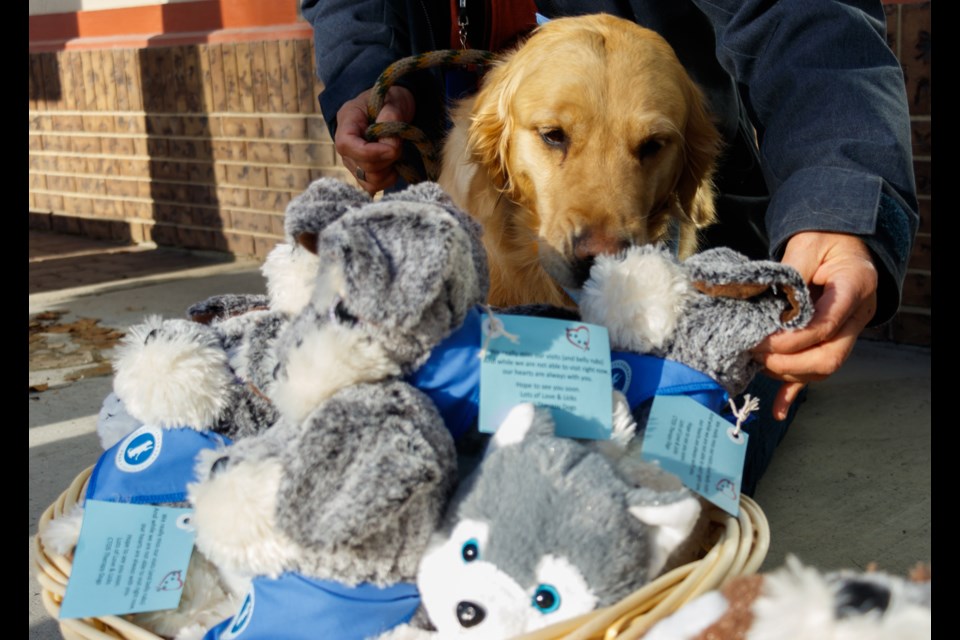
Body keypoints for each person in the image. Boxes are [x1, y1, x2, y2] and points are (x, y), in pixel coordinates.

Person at [299, 0, 920, 494]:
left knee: (674, 488)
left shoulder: (694, 168)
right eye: (553, 136)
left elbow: (809, 19)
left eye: (651, 147)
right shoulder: (474, 170)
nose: (601, 243)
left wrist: (842, 206)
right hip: (458, 192)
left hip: (689, 288)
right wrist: (366, 76)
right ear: (497, 145)